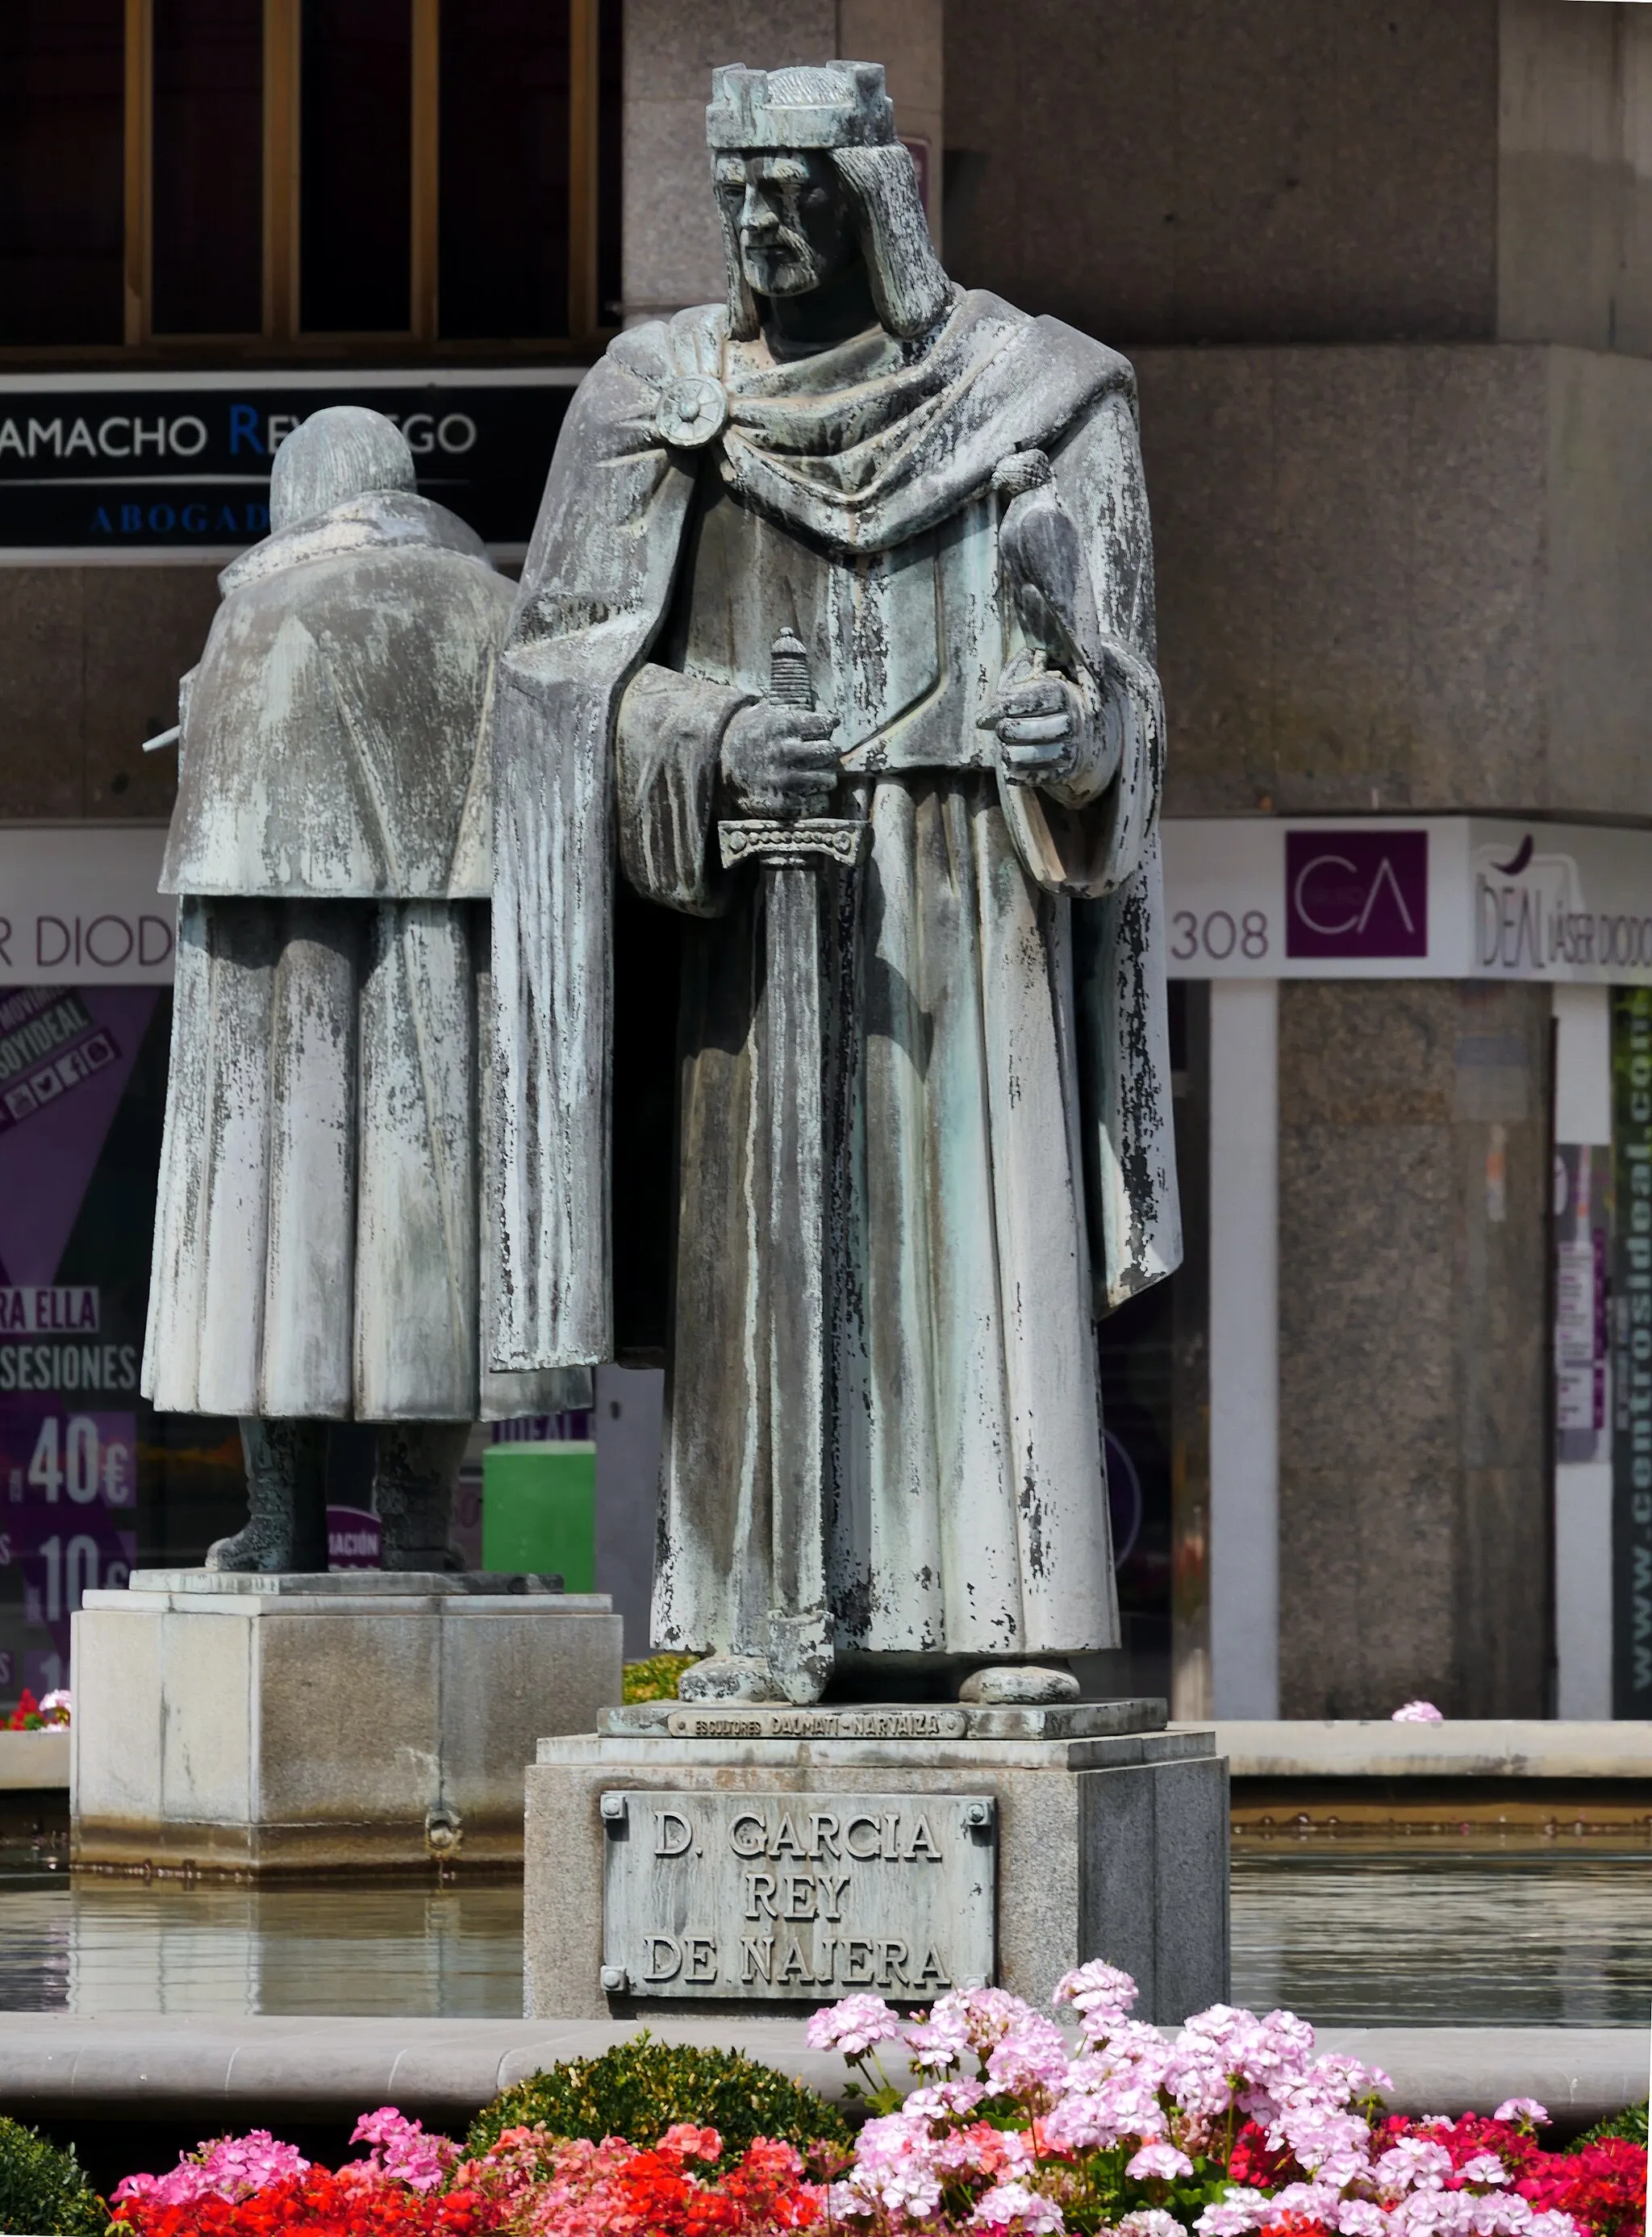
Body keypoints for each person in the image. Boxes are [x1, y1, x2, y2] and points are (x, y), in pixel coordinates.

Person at [490, 63, 1179, 1698]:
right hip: (755, 906)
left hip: (964, 888)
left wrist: (1068, 732)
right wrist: (713, 740)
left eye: (797, 190)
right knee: (759, 1271)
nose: (762, 224)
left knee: (972, 1258)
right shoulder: (658, 397)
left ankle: (1001, 1620)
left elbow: (1125, 692)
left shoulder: (1042, 393)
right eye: (736, 193)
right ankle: (749, 1621)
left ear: (884, 196)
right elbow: (555, 684)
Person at [145, 405, 578, 1571]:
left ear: (303, 496)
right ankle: (420, 1532)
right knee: (434, 1251)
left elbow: (216, 836)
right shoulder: (499, 611)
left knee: (275, 1236)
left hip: (283, 980)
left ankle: (282, 1525)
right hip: (459, 977)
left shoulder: (261, 611)